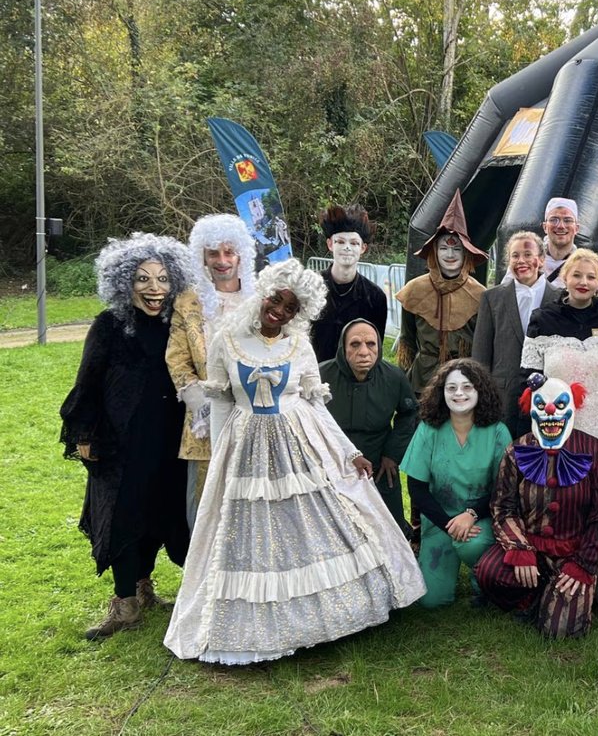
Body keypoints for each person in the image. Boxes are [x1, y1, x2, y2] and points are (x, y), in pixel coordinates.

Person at [164, 259, 425, 664]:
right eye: (276, 300)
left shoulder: (299, 346)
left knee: (315, 523)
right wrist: (219, 460)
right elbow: (222, 407)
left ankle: (324, 616)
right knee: (248, 531)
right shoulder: (226, 341)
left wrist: (348, 452)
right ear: (263, 293)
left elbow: (316, 407)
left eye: (291, 307)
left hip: (298, 443)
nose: (280, 311)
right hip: (246, 447)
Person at [60, 233, 195, 641]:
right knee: (122, 515)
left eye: (163, 279)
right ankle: (124, 604)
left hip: (170, 439)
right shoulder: (109, 325)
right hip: (121, 442)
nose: (155, 288)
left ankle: (143, 587)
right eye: (142, 279)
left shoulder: (178, 324)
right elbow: (87, 382)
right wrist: (84, 432)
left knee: (160, 512)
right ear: (124, 282)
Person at [476, 373, 598, 638]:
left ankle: (554, 597)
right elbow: (503, 506)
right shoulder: (517, 450)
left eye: (559, 404)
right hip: (532, 547)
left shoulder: (591, 448)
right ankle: (533, 595)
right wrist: (520, 549)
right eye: (541, 405)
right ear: (530, 408)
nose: (550, 411)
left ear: (572, 407)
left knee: (560, 631)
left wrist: (584, 563)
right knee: (490, 573)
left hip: (573, 552)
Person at [521, 247, 598, 576]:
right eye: (577, 275)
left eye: (591, 276)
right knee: (566, 495)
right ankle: (563, 564)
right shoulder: (543, 319)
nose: (583, 281)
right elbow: (530, 377)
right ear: (564, 278)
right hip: (560, 427)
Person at [167, 214, 256, 530]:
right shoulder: (187, 302)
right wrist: (204, 408)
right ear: (202, 257)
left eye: (229, 252)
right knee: (205, 509)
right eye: (213, 253)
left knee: (253, 505)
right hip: (205, 425)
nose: (222, 260)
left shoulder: (260, 300)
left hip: (255, 418)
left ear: (241, 255)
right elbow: (177, 360)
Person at [400, 358, 512, 609]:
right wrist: (449, 525)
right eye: (451, 388)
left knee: (471, 544)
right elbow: (416, 488)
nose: (459, 393)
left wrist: (471, 514)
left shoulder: (497, 432)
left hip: (481, 519)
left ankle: (482, 579)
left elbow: (503, 488)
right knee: (431, 601)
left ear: (480, 391)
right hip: (440, 519)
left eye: (467, 387)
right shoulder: (429, 429)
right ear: (442, 393)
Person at [320, 318, 419, 537]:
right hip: (333, 459)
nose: (364, 352)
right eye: (355, 344)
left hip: (379, 460)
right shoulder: (322, 375)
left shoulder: (394, 376)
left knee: (390, 527)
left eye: (371, 344)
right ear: (343, 348)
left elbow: (409, 412)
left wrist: (392, 455)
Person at [396, 190, 487, 395]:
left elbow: (482, 346)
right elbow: (407, 339)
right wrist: (402, 386)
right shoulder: (414, 290)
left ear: (466, 253)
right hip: (422, 382)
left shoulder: (480, 295)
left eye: (457, 249)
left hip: (463, 383)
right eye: (444, 248)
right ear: (435, 251)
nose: (450, 254)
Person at [475, 230, 559, 435]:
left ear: (541, 260)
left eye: (528, 254)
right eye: (515, 255)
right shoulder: (491, 298)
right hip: (504, 395)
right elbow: (481, 353)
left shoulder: (559, 298)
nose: (521, 261)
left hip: (549, 396)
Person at [310, 204, 388, 360]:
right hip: (312, 370)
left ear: (363, 248)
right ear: (330, 244)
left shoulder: (375, 297)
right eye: (340, 242)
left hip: (355, 372)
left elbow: (375, 347)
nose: (347, 248)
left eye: (353, 243)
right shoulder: (310, 288)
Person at [501, 198, 598, 293]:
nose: (561, 226)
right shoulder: (526, 264)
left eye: (567, 220)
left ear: (576, 228)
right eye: (554, 220)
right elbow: (503, 298)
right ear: (545, 227)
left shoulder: (590, 268)